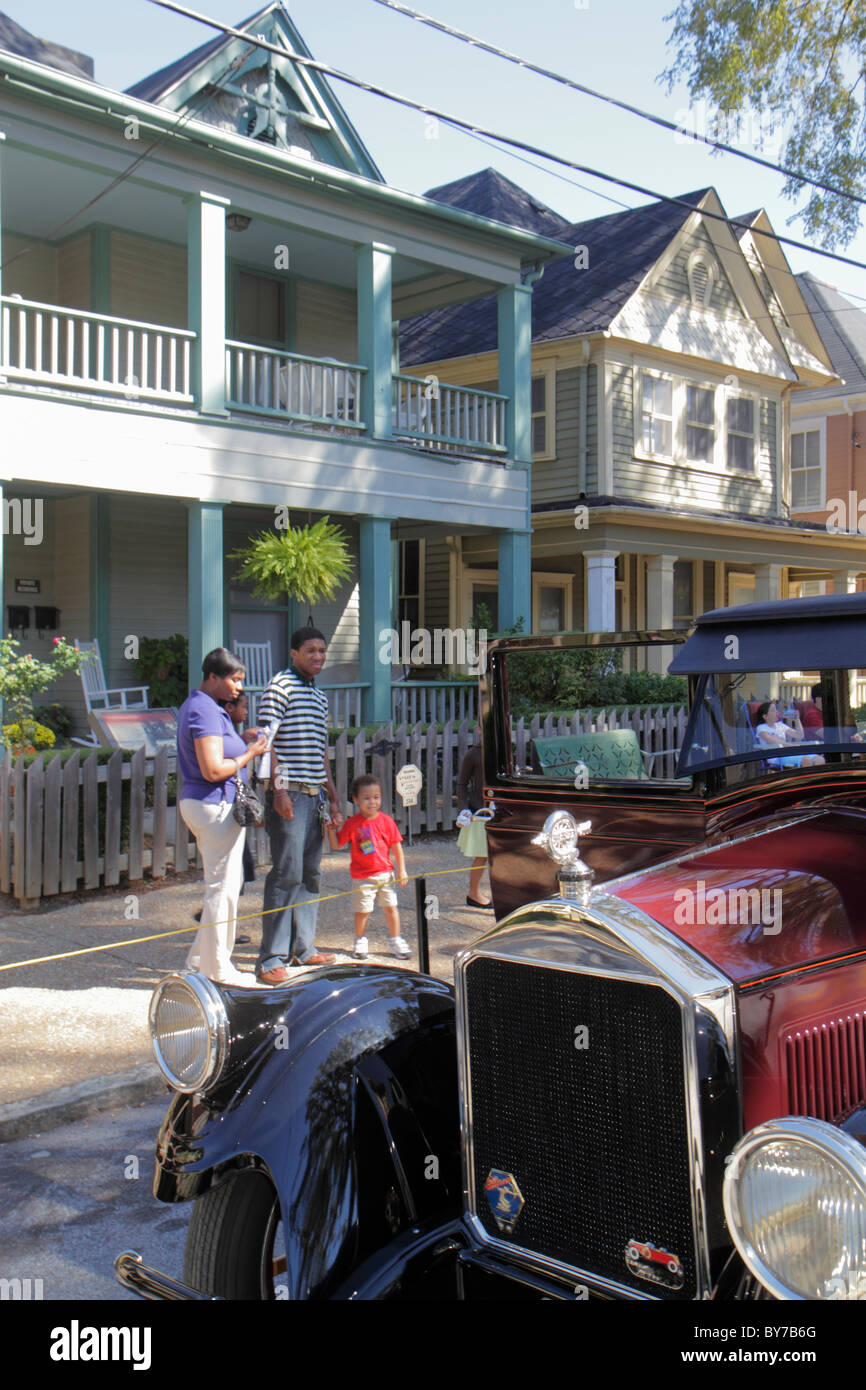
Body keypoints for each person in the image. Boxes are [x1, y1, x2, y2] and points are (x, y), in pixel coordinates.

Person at [177, 648, 269, 986]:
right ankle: (218, 969)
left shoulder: (207, 707)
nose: (237, 687)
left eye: (240, 680)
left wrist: (241, 739)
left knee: (223, 886)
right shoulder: (203, 709)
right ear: (212, 677)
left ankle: (199, 960)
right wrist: (250, 753)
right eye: (233, 679)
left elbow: (218, 750)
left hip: (211, 804)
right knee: (223, 890)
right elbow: (214, 769)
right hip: (213, 803)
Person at [256, 627, 342, 984]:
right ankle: (269, 959)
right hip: (288, 793)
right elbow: (266, 744)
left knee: (310, 873)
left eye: (322, 651)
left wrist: (334, 798)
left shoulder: (319, 697)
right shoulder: (280, 688)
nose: (318, 656)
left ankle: (302, 949)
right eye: (310, 650)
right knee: (285, 873)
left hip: (314, 795)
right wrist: (277, 792)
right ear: (293, 653)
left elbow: (321, 753)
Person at [193, 689, 255, 940]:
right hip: (219, 807)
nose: (247, 711)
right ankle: (216, 923)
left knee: (238, 872)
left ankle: (221, 924)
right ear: (230, 708)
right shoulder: (214, 720)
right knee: (229, 875)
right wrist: (251, 750)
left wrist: (242, 737)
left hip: (230, 808)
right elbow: (220, 761)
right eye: (243, 706)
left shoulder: (225, 726)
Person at [328, 774, 410, 959]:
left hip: (385, 874)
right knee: (363, 910)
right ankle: (360, 940)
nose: (372, 802)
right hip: (362, 877)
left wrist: (402, 869)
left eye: (376, 797)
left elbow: (396, 846)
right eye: (366, 798)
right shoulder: (352, 823)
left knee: (391, 907)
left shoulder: (387, 821)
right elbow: (336, 844)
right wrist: (331, 830)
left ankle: (395, 939)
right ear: (356, 800)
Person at [456, 733, 492, 908]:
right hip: (480, 811)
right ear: (480, 728)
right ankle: (474, 892)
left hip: (499, 809)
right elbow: (461, 784)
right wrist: (463, 809)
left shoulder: (503, 750)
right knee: (482, 855)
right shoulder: (473, 754)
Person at [754, 700, 823, 769]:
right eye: (773, 710)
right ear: (765, 717)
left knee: (819, 759)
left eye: (776, 710)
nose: (777, 712)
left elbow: (800, 735)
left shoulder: (780, 725)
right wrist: (792, 746)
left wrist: (797, 719)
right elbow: (772, 741)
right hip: (776, 757)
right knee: (806, 760)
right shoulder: (761, 728)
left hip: (789, 753)